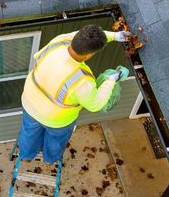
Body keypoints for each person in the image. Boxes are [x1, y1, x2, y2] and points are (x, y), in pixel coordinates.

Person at [17, 25, 130, 164]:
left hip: (30, 103)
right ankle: (49, 159)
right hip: (56, 120)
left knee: (29, 133)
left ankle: (26, 155)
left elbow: (83, 36)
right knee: (55, 141)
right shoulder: (82, 81)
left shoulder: (59, 41)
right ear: (89, 55)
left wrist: (115, 36)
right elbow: (95, 104)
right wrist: (111, 80)